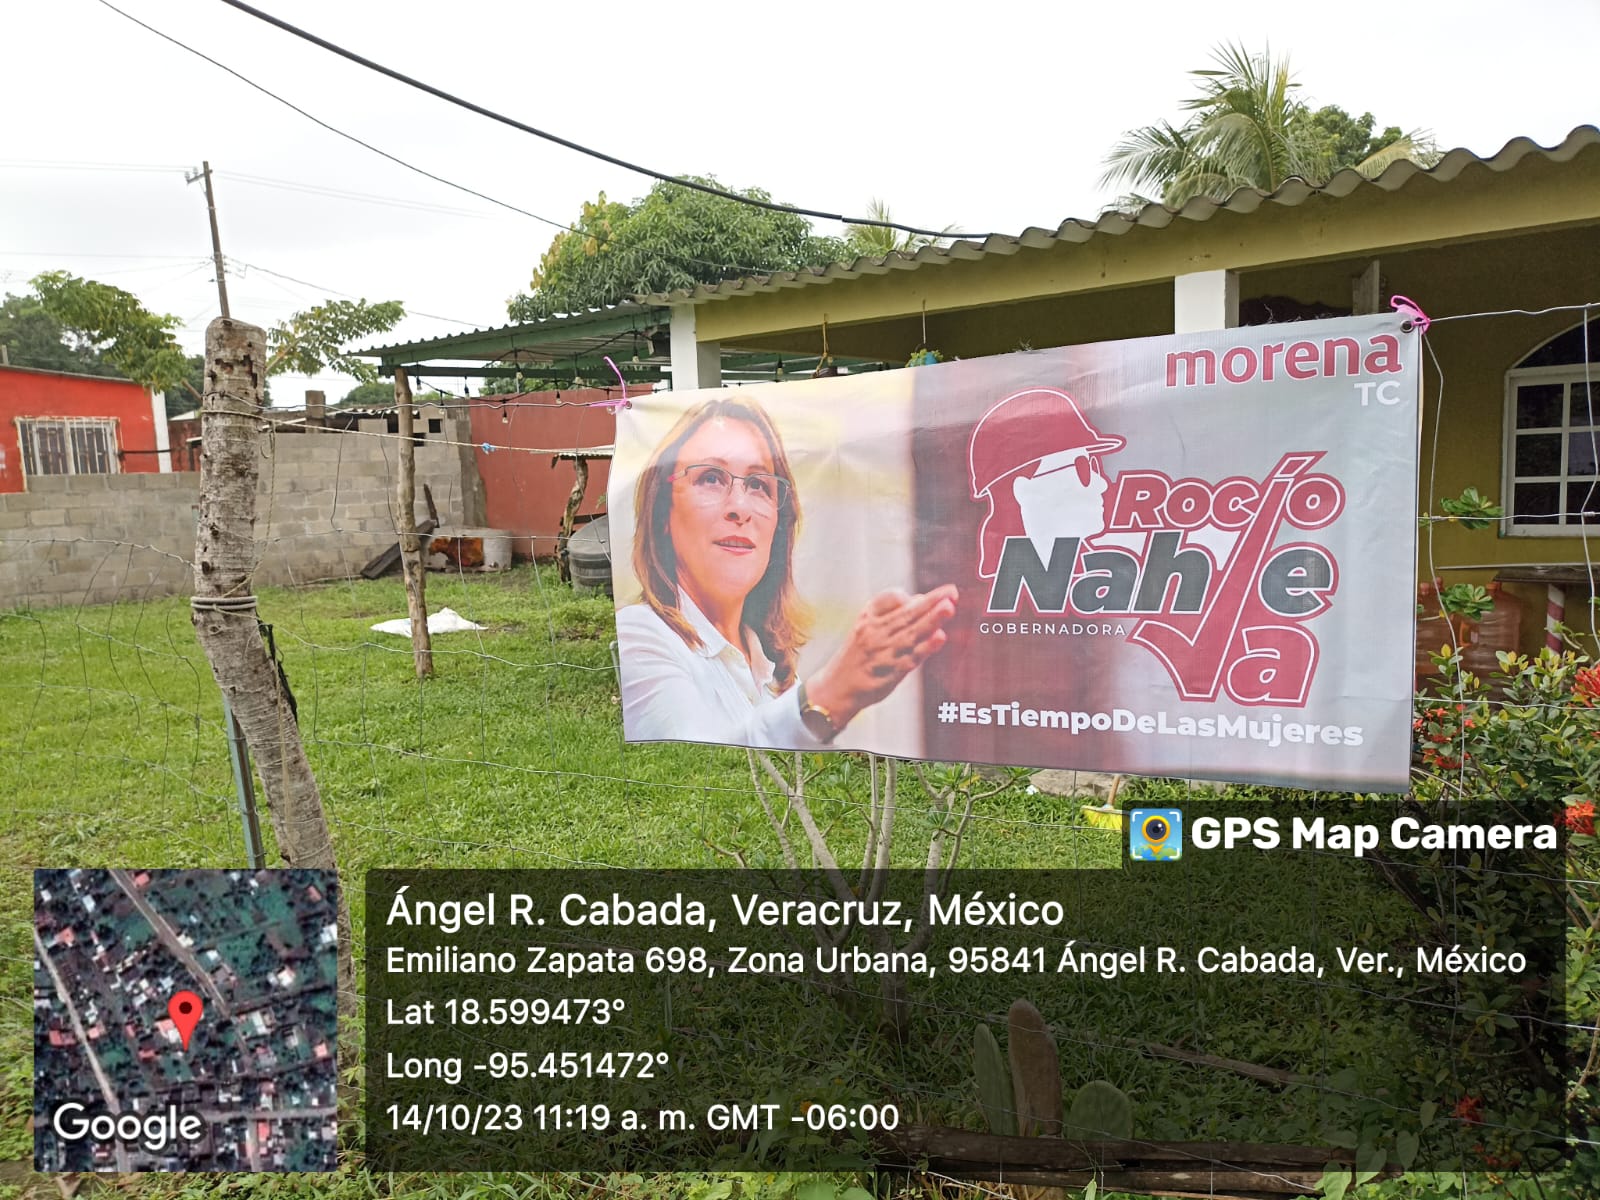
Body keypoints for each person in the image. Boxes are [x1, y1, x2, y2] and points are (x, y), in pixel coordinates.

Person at [617, 395, 957, 747]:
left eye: (758, 485)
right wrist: (834, 691)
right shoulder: (641, 636)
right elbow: (697, 760)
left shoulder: (775, 672)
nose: (740, 507)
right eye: (711, 478)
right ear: (663, 512)